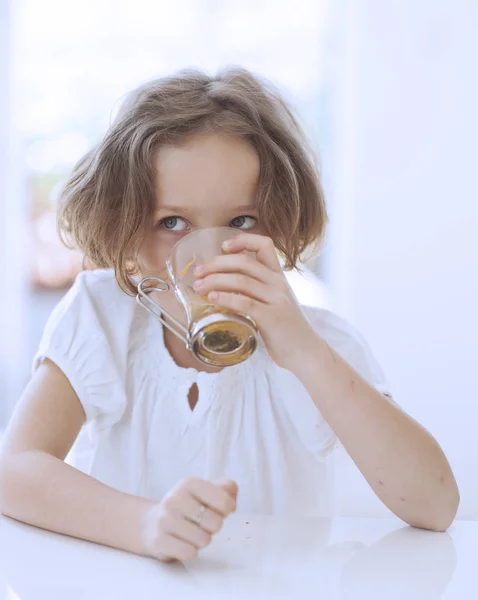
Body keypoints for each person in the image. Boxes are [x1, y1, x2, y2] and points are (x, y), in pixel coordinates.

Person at [0, 68, 459, 563]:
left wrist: (303, 351)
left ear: (280, 221)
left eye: (241, 221)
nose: (208, 257)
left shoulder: (316, 341)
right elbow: (16, 468)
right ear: (126, 226)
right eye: (172, 223)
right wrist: (147, 524)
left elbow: (435, 506)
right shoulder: (105, 314)